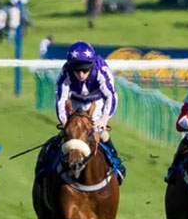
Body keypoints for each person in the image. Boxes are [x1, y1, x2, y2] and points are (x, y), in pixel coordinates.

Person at [38, 41, 124, 182]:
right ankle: (46, 165)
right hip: (75, 104)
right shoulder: (65, 73)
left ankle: (116, 162)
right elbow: (60, 100)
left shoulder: (102, 70)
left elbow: (111, 96)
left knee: (100, 133)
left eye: (85, 70)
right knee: (68, 134)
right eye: (77, 71)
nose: (81, 75)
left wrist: (104, 119)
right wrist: (65, 122)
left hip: (96, 103)